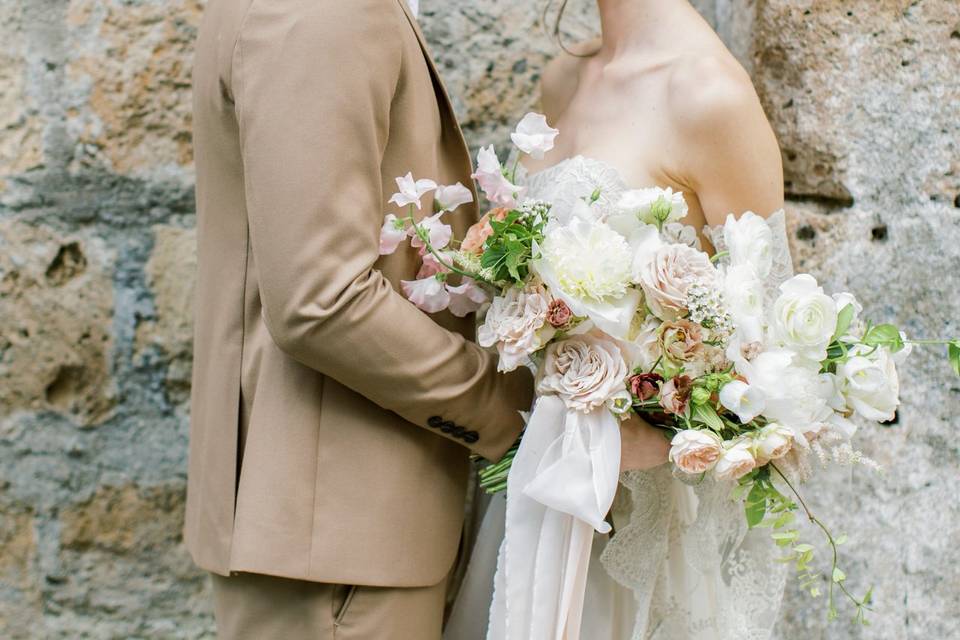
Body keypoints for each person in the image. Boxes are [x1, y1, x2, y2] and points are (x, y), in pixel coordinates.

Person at [184, 1, 549, 638]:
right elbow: (321, 301)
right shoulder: (323, 12)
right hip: (335, 548)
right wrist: (516, 408)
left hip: (337, 533)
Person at [447, 1, 790, 638]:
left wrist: (658, 431)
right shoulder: (565, 77)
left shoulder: (709, 96)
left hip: (627, 516)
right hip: (529, 483)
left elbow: (771, 363)